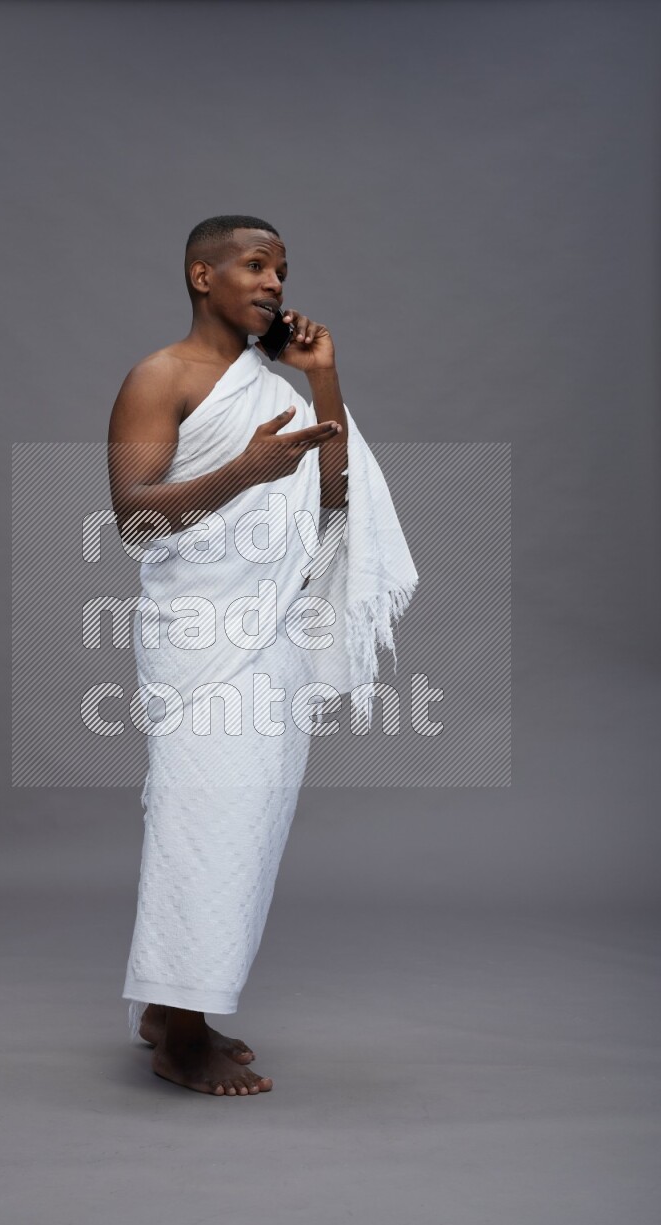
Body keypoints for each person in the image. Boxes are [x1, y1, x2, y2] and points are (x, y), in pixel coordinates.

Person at [107, 214, 416, 1097]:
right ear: (202, 277)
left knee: (249, 826)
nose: (275, 282)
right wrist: (242, 471)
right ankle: (182, 1035)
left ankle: (174, 1008)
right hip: (199, 638)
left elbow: (332, 498)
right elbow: (133, 518)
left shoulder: (277, 386)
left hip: (274, 631)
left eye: (281, 269)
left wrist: (323, 380)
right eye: (254, 265)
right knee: (204, 822)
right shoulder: (158, 377)